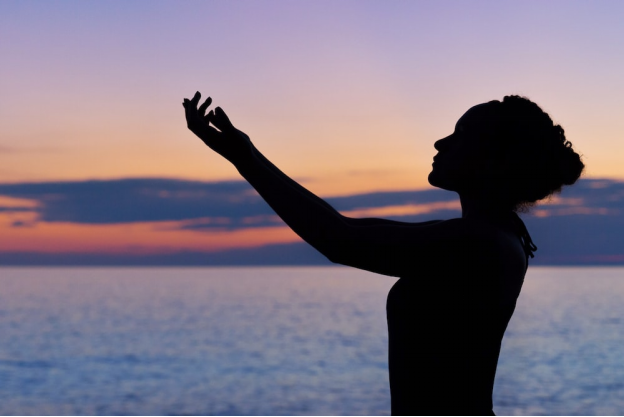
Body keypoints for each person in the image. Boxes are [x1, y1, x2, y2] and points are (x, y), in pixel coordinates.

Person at [182, 92, 584, 416]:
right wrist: (248, 155)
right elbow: (345, 227)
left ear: (491, 160)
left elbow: (338, 240)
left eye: (459, 136)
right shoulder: (488, 235)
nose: (440, 142)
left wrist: (244, 160)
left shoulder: (477, 243)